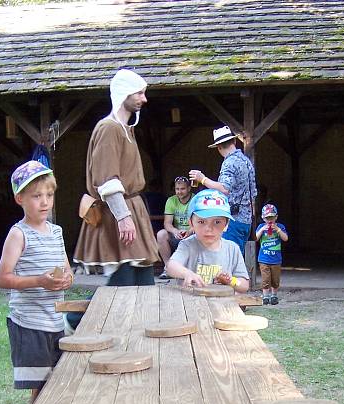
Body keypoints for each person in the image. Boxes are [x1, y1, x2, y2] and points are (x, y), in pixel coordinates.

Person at [72, 68, 160, 287]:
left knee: (143, 281)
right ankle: (74, 321)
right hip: (118, 213)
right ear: (124, 93)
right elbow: (106, 179)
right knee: (123, 284)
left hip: (132, 210)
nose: (144, 99)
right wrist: (123, 217)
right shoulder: (109, 129)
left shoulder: (124, 129)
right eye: (138, 93)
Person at [0, 161, 72, 404]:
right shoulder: (18, 234)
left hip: (54, 322)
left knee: (58, 382)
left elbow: (67, 268)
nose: (45, 202)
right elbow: (3, 278)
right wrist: (39, 282)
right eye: (37, 196)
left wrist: (67, 279)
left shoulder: (57, 232)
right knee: (39, 388)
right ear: (20, 199)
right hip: (29, 324)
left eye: (49, 195)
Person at [189, 125, 257, 255]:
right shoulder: (246, 161)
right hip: (246, 220)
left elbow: (225, 188)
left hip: (232, 220)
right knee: (236, 259)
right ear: (234, 141)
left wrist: (202, 179)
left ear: (219, 147)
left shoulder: (229, 162)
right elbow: (253, 193)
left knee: (228, 261)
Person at [166, 189, 249, 293]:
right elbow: (171, 266)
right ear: (191, 224)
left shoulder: (232, 249)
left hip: (222, 305)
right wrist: (187, 273)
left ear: (226, 225)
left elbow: (244, 285)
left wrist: (231, 281)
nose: (208, 228)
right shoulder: (188, 245)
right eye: (201, 222)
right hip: (192, 304)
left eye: (217, 222)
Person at [157, 176, 192, 279]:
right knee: (161, 234)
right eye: (177, 189)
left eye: (182, 189)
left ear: (189, 188)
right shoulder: (171, 200)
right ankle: (168, 268)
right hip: (177, 234)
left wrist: (189, 231)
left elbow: (200, 222)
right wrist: (175, 230)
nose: (179, 192)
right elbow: (167, 223)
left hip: (192, 234)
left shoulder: (195, 199)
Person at [255, 203, 289, 305]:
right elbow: (255, 238)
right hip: (264, 259)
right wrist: (262, 230)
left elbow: (285, 238)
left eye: (272, 217)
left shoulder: (280, 227)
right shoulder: (261, 227)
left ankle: (274, 295)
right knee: (265, 279)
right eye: (267, 218)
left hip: (276, 259)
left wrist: (278, 230)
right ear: (263, 218)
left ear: (276, 217)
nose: (270, 220)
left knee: (275, 279)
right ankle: (265, 296)